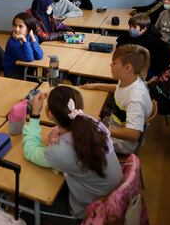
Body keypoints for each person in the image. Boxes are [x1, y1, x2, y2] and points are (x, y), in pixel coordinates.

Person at [22, 86, 123, 223]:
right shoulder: (89, 122)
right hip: (110, 193)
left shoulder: (61, 152)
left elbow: (30, 151)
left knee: (23, 200)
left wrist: (34, 114)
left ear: (50, 115)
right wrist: (60, 132)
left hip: (89, 210)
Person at [81, 45, 152, 155]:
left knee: (80, 137)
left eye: (114, 63)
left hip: (123, 144)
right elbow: (119, 88)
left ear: (127, 68)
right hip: (114, 124)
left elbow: (134, 134)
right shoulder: (129, 80)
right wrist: (95, 85)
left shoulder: (135, 99)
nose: (110, 65)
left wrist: (102, 130)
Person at [2, 12, 43, 79]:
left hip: (26, 72)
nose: (16, 29)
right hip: (13, 74)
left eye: (20, 26)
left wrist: (32, 37)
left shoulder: (33, 37)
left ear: (28, 29)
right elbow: (29, 58)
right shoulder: (12, 42)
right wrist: (24, 40)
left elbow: (39, 56)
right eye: (15, 25)